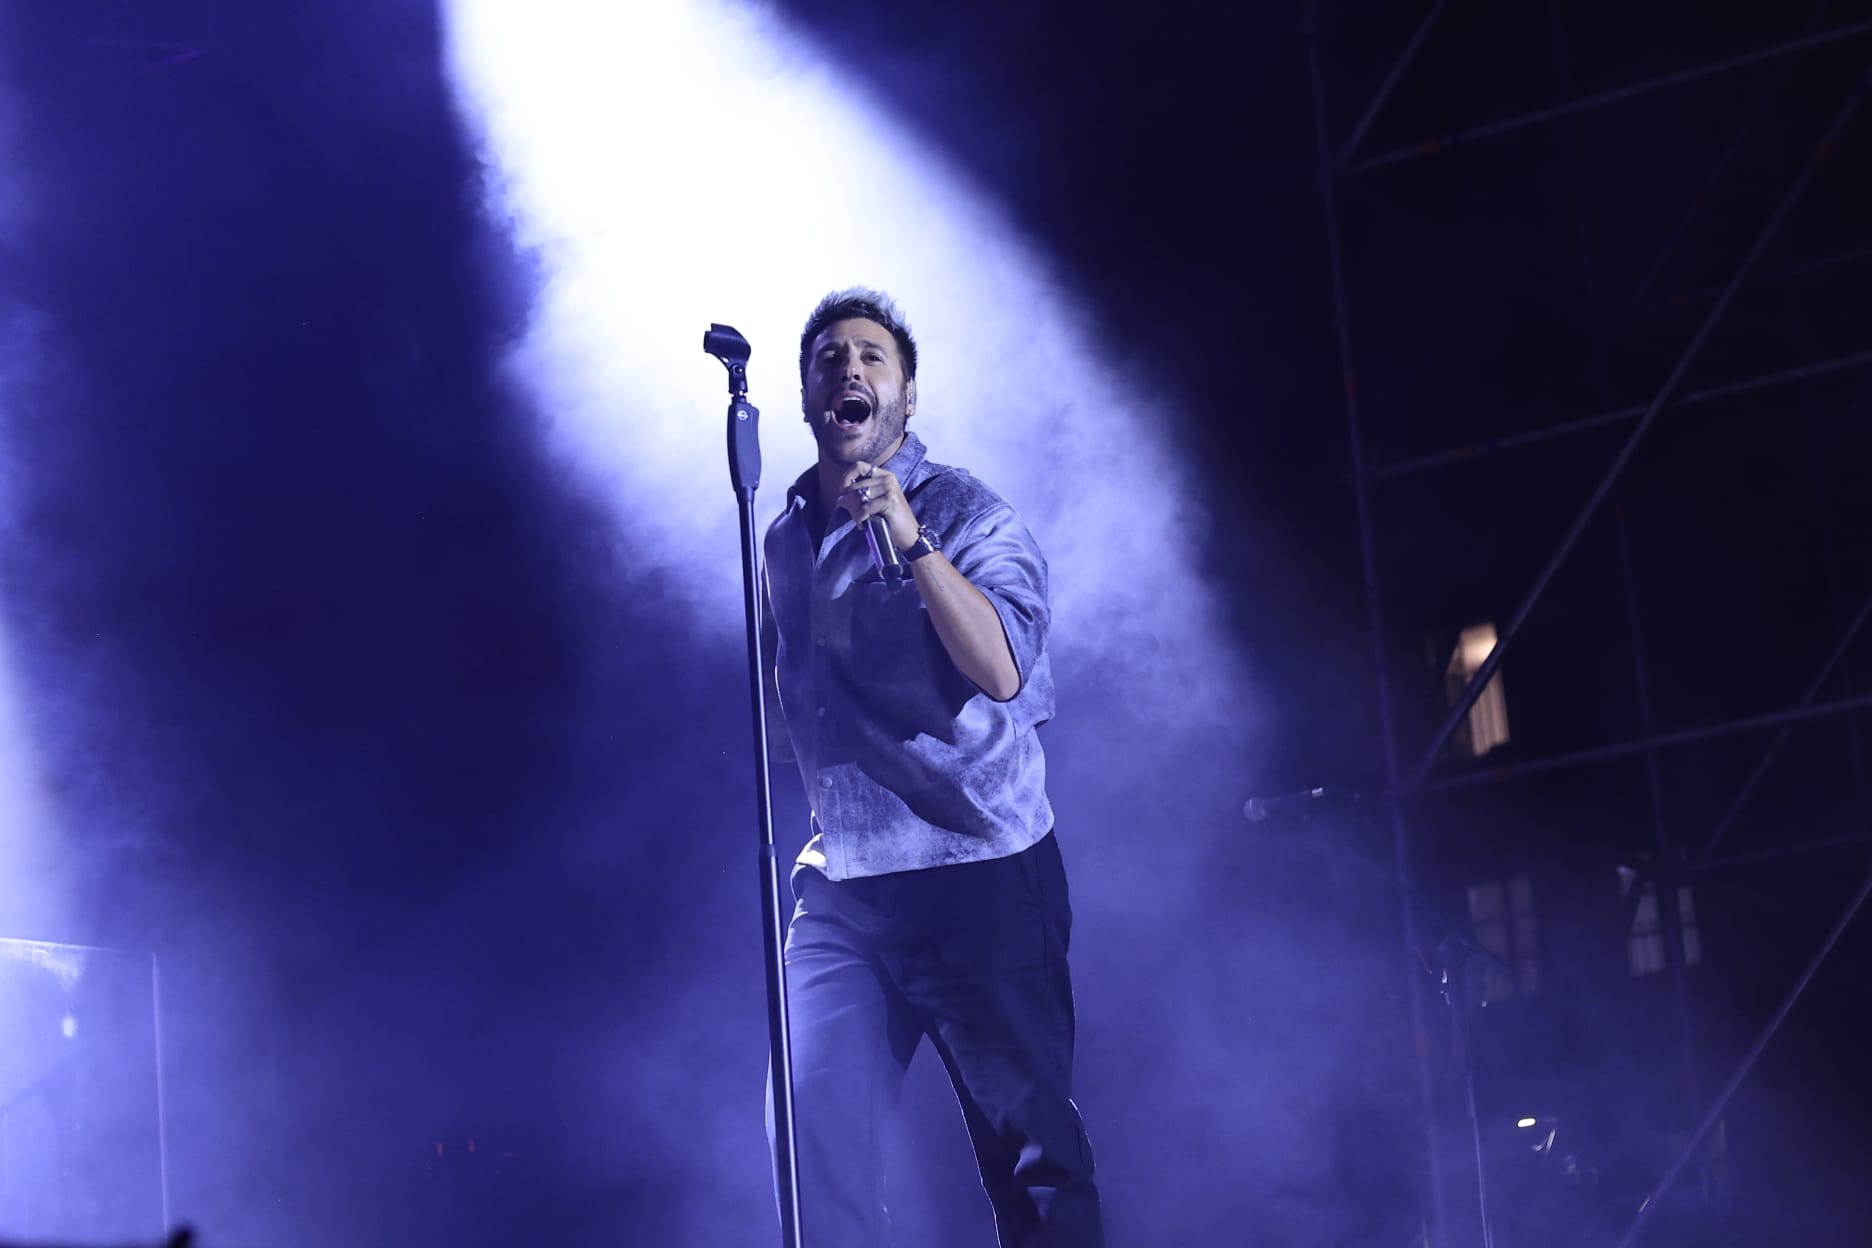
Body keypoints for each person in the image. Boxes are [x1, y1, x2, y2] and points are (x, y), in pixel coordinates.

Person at [760, 288, 1104, 1247]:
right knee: (808, 1133)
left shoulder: (965, 508)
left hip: (978, 873)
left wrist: (911, 540)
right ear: (805, 397)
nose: (850, 370)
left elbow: (999, 667)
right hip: (845, 883)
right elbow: (787, 692)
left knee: (1030, 1156)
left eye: (872, 357)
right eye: (830, 358)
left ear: (907, 398)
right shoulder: (784, 534)